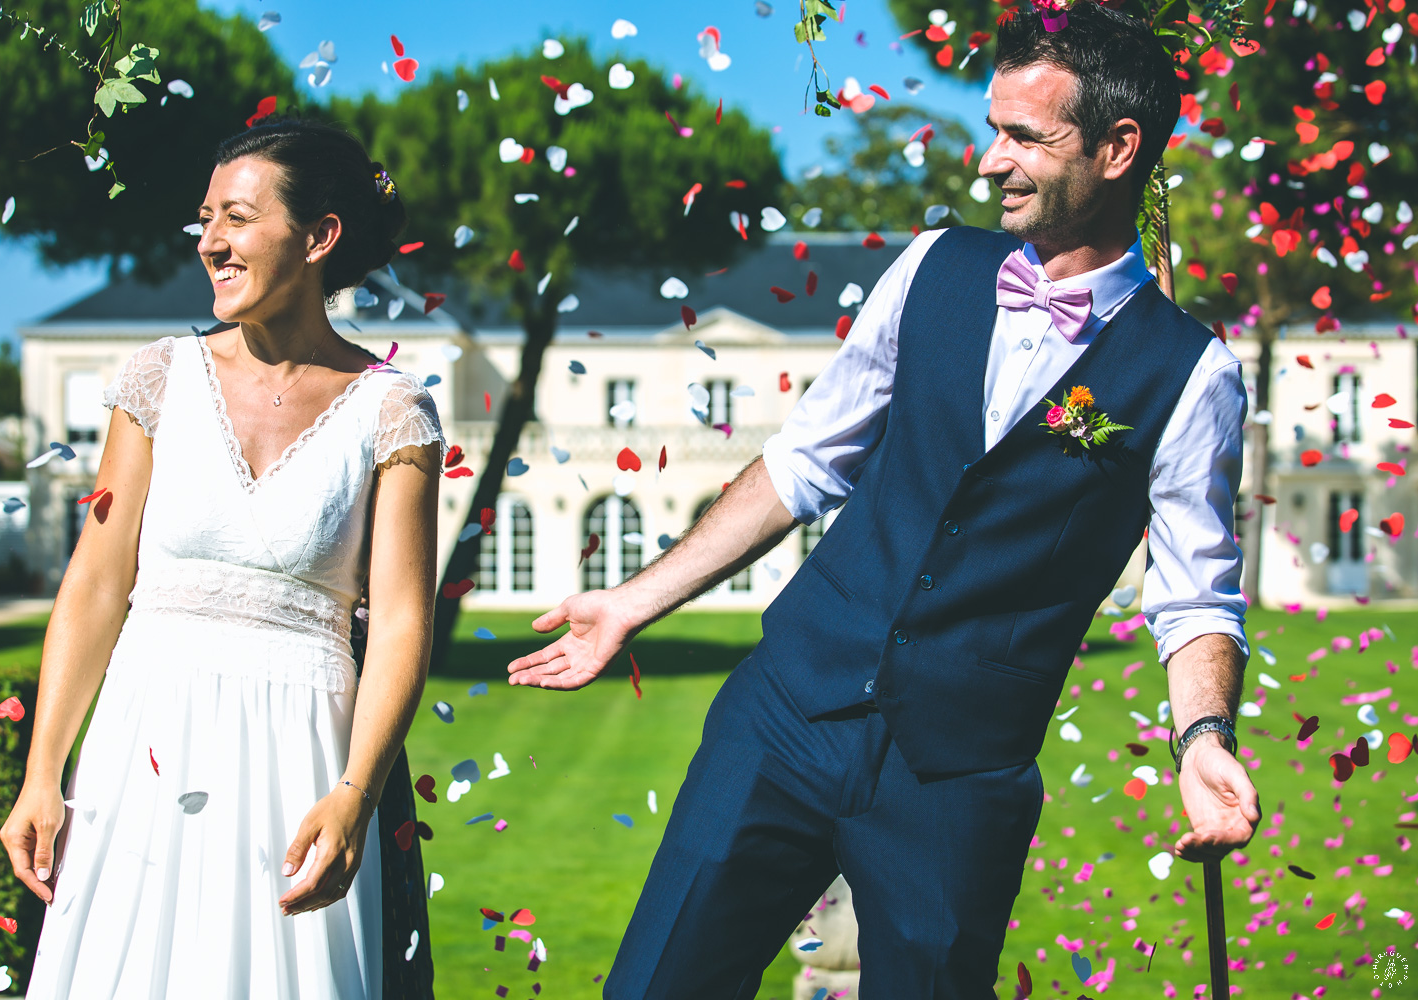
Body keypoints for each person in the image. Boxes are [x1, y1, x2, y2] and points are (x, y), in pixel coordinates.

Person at [505, 5, 1262, 996]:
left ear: (1119, 148)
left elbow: (1195, 596)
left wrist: (1203, 739)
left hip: (957, 777)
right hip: (785, 716)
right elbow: (802, 464)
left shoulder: (1191, 374)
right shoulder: (929, 268)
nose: (991, 162)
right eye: (993, 130)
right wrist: (631, 602)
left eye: (1026, 137)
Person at [1, 117, 444, 999]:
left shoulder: (393, 412)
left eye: (237, 218)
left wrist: (356, 793)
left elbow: (400, 622)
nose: (211, 242)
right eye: (206, 219)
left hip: (300, 759)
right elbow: (96, 583)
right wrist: (43, 770)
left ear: (318, 236)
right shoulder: (158, 378)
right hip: (142, 742)